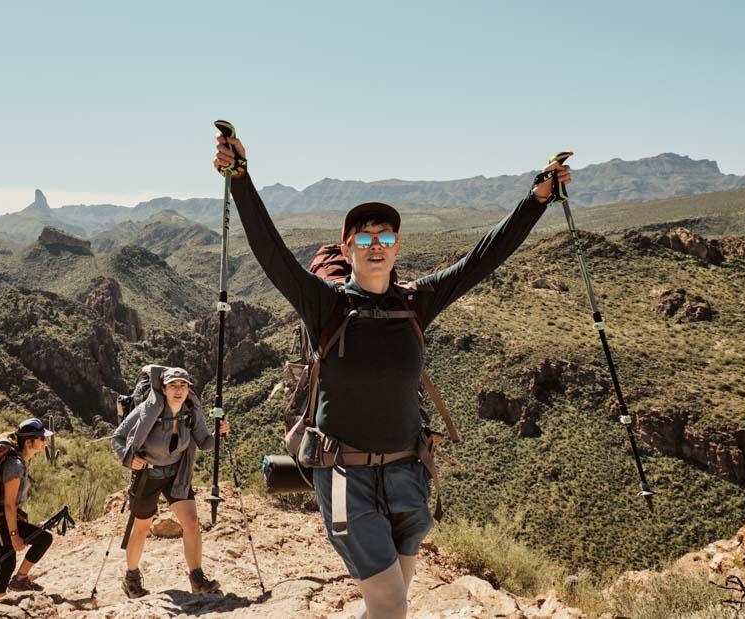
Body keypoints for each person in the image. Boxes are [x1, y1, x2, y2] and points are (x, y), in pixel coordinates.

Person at [214, 133, 570, 618]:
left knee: (392, 594)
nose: (375, 246)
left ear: (397, 246)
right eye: (364, 238)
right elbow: (271, 252)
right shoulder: (326, 304)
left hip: (408, 472)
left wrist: (537, 200)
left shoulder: (416, 302)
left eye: (384, 238)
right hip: (344, 475)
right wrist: (241, 179)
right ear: (349, 246)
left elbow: (483, 258)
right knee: (391, 604)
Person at [111, 365, 230, 598]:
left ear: (188, 389)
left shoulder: (190, 411)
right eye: (173, 385)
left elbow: (204, 443)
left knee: (192, 523)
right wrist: (128, 458)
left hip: (177, 474)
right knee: (142, 528)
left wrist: (219, 434)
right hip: (148, 475)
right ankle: (132, 577)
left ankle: (197, 578)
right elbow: (118, 437)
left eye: (183, 385)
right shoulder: (147, 410)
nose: (178, 390)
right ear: (163, 389)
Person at [0, 417, 55, 601]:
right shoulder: (15, 465)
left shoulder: (21, 461)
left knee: (6, 566)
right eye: (41, 438)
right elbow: (9, 504)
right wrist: (15, 536)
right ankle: (20, 579)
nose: (44, 441)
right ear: (29, 442)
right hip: (0, 523)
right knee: (44, 539)